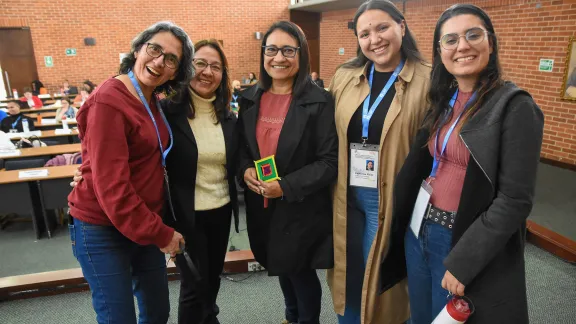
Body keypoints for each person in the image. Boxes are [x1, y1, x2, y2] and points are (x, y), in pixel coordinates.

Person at [393, 4, 543, 323]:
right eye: (450, 39)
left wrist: (465, 260)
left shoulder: (515, 107)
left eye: (473, 35)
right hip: (420, 228)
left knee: (449, 319)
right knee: (421, 316)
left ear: (491, 43)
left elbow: (515, 200)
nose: (462, 46)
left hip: (459, 237)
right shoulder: (443, 100)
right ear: (440, 51)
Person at [67, 21, 195, 324]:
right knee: (118, 317)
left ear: (175, 72)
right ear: (138, 49)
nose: (159, 61)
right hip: (102, 228)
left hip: (142, 223)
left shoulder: (151, 99)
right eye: (154, 49)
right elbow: (112, 190)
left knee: (156, 313)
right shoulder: (109, 101)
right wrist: (161, 234)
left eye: (171, 59)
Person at [327, 1, 431, 323]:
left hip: (387, 198)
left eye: (382, 27)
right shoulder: (345, 76)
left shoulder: (430, 80)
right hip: (345, 193)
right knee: (349, 272)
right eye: (365, 33)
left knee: (383, 280)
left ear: (402, 26)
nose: (375, 39)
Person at [237, 21, 337, 324]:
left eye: (287, 50)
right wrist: (244, 171)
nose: (278, 58)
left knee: (299, 271)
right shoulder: (249, 97)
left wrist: (286, 186)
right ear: (263, 54)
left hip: (299, 204)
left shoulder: (319, 101)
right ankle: (291, 317)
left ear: (301, 54)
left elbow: (328, 161)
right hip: (262, 204)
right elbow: (242, 147)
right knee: (278, 264)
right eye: (271, 49)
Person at [161, 38, 240, 324]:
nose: (207, 72)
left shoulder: (229, 117)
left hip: (220, 210)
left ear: (223, 75)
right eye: (200, 63)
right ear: (186, 67)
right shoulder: (167, 112)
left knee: (212, 279)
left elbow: (239, 160)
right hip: (185, 214)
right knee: (194, 285)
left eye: (216, 67)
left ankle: (209, 318)